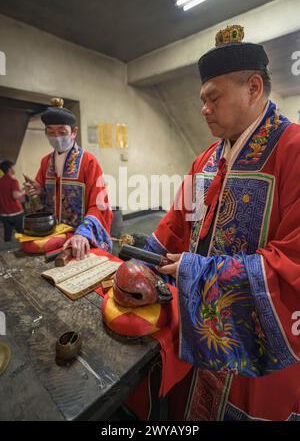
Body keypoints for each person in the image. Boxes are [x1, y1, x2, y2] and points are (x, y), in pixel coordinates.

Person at [143, 25, 300, 421]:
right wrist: (141, 261)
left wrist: (197, 272)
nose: (204, 109)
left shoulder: (293, 150)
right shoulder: (205, 161)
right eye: (202, 99)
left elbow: (293, 261)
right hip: (201, 334)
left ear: (252, 88)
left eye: (214, 97)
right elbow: (176, 226)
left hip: (254, 348)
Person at [24, 98, 112, 259]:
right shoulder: (46, 162)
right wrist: (38, 191)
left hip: (80, 234)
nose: (56, 137)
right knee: (29, 248)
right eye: (50, 132)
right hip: (54, 231)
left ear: (74, 132)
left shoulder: (88, 161)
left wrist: (83, 233)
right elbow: (42, 196)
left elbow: (100, 205)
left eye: (62, 132)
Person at [0, 160, 24, 241]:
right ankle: (25, 248)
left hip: (4, 214)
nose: (14, 169)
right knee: (22, 233)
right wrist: (24, 192)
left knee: (7, 234)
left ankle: (7, 250)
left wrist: (20, 190)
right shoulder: (13, 181)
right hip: (16, 213)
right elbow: (15, 196)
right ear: (9, 169)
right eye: (13, 167)